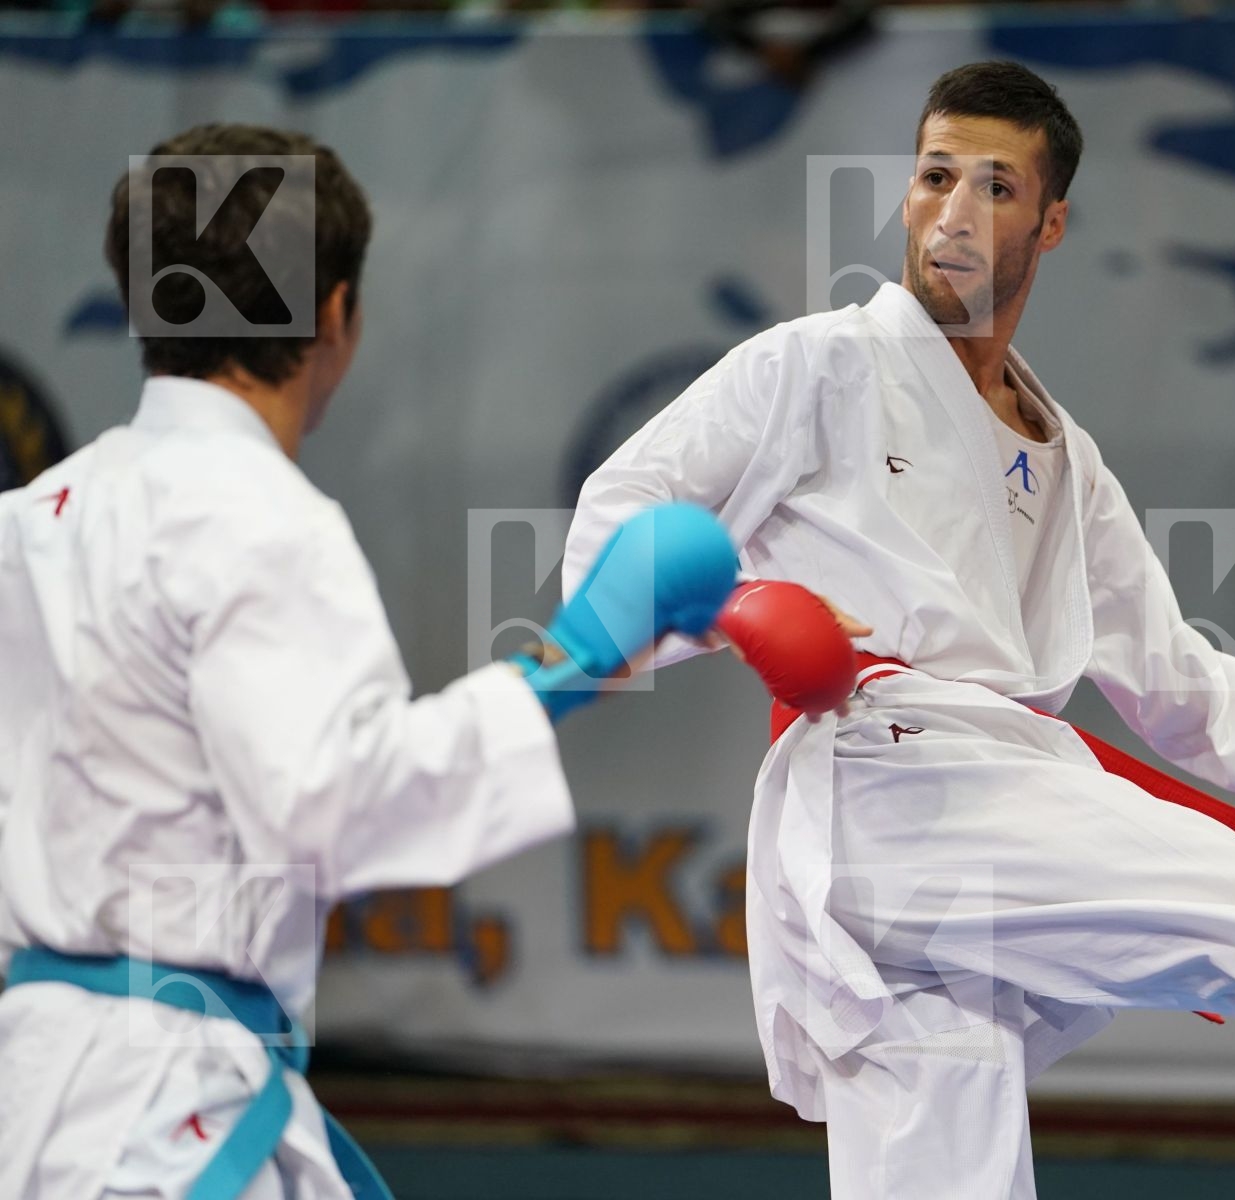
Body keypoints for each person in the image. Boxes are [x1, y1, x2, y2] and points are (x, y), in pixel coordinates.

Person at [564, 62, 1235, 1199]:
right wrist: (739, 609)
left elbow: (1189, 694)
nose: (956, 214)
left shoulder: (1068, 460)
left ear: (1052, 223)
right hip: (886, 786)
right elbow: (616, 524)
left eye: (995, 188)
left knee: (942, 1163)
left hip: (991, 816)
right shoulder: (818, 364)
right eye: (935, 177)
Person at [0, 123, 737, 1199]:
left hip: (39, 1098)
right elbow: (332, 803)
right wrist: (571, 663)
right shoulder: (260, 518)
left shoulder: (30, 520)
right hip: (160, 1119)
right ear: (336, 314)